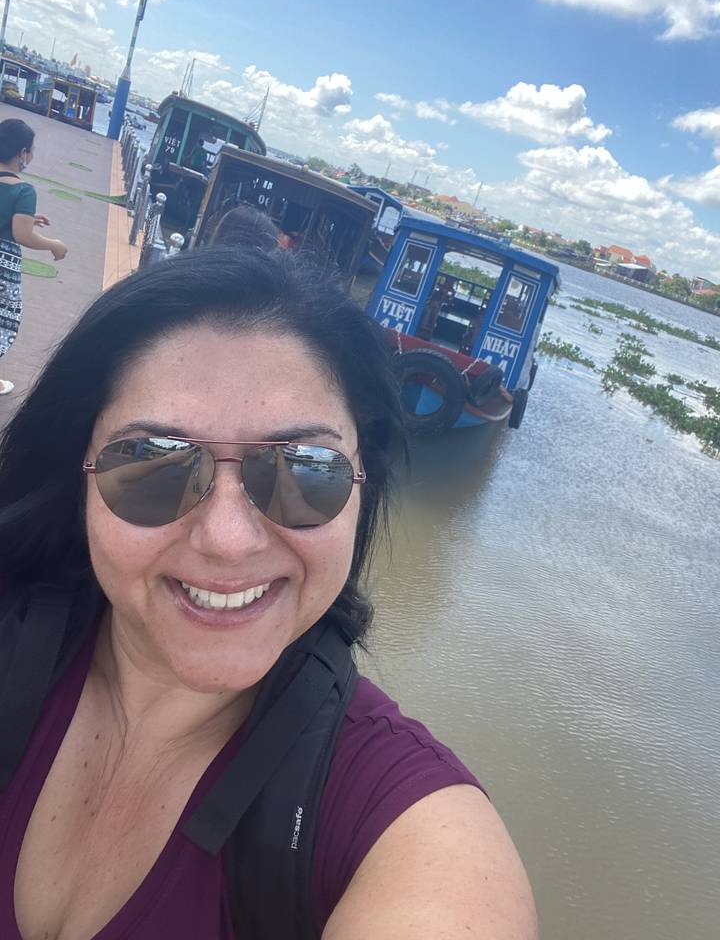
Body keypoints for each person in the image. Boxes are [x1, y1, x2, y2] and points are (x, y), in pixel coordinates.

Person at [0, 246, 537, 939]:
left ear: (362, 486)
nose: (228, 538)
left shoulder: (405, 823)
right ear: (81, 477)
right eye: (153, 462)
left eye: (305, 469)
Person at [0, 117, 68, 395]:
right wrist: (54, 244)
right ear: (22, 153)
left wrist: (27, 218)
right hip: (4, 269)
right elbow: (21, 235)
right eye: (31, 150)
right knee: (4, 319)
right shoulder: (23, 189)